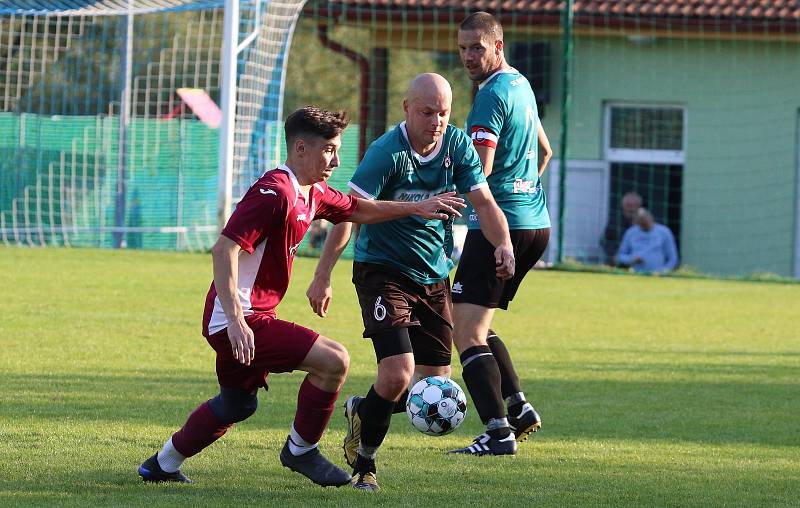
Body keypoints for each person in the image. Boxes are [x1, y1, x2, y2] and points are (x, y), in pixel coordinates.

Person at [136, 106, 465, 488]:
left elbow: (357, 209)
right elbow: (223, 249)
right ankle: (301, 450)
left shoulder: (312, 192)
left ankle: (162, 464)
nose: (336, 160)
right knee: (334, 361)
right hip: (237, 319)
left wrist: (417, 207)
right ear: (301, 148)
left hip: (243, 317)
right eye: (329, 150)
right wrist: (238, 321)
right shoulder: (274, 192)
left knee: (237, 404)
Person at [306, 73, 514, 491]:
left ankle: (365, 409)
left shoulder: (457, 146)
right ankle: (365, 465)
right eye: (426, 112)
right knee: (398, 373)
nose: (436, 120)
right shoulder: (386, 152)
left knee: (432, 384)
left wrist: (504, 242)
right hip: (382, 270)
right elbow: (350, 212)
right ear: (406, 108)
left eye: (443, 112)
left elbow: (484, 203)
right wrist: (323, 274)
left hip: (434, 275)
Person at [448, 11, 554, 456]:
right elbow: (544, 150)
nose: (469, 57)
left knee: (463, 328)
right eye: (463, 48)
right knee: (475, 319)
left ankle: (497, 432)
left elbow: (481, 171)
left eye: (478, 48)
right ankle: (519, 408)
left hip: (500, 227)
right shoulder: (521, 84)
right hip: (536, 223)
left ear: (498, 47)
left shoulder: (490, 97)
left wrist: (439, 206)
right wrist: (522, 190)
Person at [616, 207, 678, 273]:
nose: (644, 222)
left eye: (645, 219)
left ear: (651, 218)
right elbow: (620, 256)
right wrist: (632, 259)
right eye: (641, 220)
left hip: (658, 276)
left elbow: (673, 258)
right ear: (636, 221)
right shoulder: (630, 233)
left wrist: (664, 271)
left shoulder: (664, 232)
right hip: (636, 274)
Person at [603, 191, 642, 266]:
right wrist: (613, 255)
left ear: (639, 206)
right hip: (617, 260)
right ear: (623, 206)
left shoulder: (643, 222)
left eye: (634, 205)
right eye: (628, 205)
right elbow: (605, 241)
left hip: (639, 261)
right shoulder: (614, 221)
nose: (631, 208)